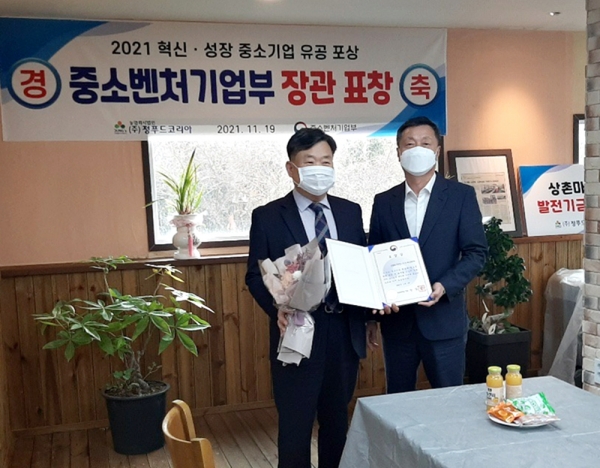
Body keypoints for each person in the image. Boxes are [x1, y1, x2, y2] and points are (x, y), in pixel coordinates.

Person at [245, 128, 368, 468]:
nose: (319, 169)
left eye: (326, 161)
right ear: (291, 168)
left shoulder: (350, 211)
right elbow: (254, 275)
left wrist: (369, 317)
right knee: (295, 424)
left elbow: (360, 267)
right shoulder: (268, 216)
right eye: (310, 161)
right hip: (297, 331)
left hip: (343, 332)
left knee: (337, 421)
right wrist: (277, 307)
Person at [368, 116, 487, 393]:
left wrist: (445, 285)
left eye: (425, 143)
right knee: (398, 402)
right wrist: (374, 311)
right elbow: (374, 258)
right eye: (409, 144)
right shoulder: (384, 201)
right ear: (398, 152)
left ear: (437, 150)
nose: (417, 149)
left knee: (448, 400)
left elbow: (476, 252)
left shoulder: (460, 196)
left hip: (444, 321)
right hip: (398, 323)